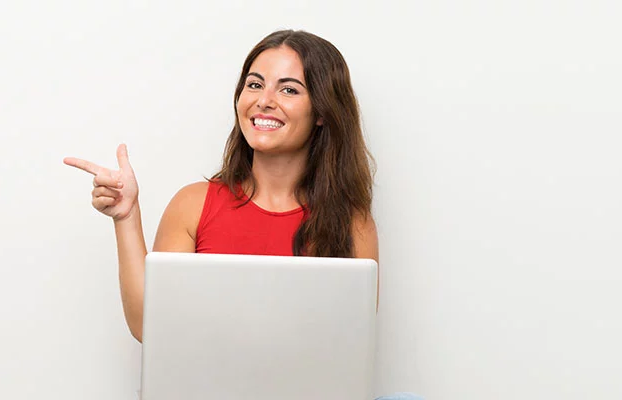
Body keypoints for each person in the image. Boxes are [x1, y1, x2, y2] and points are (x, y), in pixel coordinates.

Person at [64, 29, 421, 400]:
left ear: (321, 111)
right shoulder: (193, 204)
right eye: (254, 84)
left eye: (289, 89)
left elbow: (348, 351)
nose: (264, 101)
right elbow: (148, 327)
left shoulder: (351, 222)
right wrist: (126, 217)